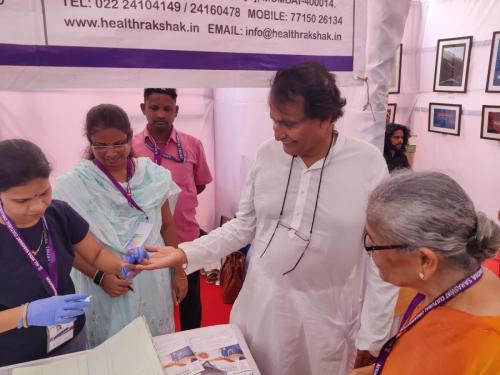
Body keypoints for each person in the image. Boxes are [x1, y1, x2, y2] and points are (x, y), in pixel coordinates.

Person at [137, 62, 399, 375]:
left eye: (288, 123)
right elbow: (244, 225)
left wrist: (373, 337)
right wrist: (184, 252)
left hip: (327, 320)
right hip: (261, 307)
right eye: (273, 121)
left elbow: (383, 260)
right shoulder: (267, 154)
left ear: (326, 117)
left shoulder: (367, 164)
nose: (277, 134)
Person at [53, 104, 187, 348]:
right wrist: (100, 277)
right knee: (110, 348)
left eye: (118, 143)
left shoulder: (153, 176)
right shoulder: (74, 184)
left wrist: (179, 271)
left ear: (129, 137)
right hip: (104, 279)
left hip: (150, 274)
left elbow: (167, 225)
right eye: (100, 145)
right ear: (89, 142)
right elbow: (66, 244)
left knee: (152, 343)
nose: (111, 152)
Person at [350, 170, 500, 375]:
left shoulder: (489, 350)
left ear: (425, 261)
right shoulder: (442, 286)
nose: (369, 251)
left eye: (374, 244)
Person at [0, 139, 134, 366]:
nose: (38, 206)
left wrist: (124, 265)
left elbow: (96, 254)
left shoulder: (57, 214)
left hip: (70, 337)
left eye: (44, 192)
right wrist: (26, 314)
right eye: (22, 200)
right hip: (14, 354)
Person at [132, 88, 212, 330]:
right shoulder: (131, 148)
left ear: (176, 111)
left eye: (167, 108)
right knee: (145, 302)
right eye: (154, 107)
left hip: (186, 238)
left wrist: (176, 205)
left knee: (189, 300)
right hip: (147, 241)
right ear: (143, 108)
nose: (160, 114)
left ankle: (192, 351)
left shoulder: (192, 145)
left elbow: (198, 185)